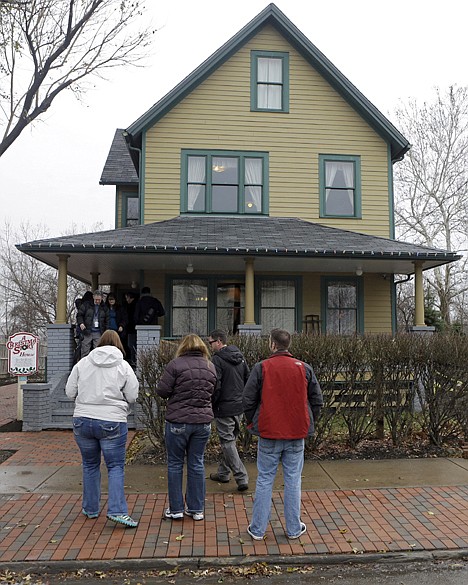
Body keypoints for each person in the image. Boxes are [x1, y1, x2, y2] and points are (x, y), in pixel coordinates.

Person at [243, 328, 323, 541]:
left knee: (265, 479)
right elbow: (317, 400)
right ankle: (293, 529)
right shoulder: (303, 368)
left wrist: (253, 421)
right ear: (288, 345)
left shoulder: (262, 367)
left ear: (272, 344)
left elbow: (248, 399)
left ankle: (258, 529)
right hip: (296, 433)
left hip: (269, 432)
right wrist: (307, 421)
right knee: (293, 480)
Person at [65, 330, 139, 528]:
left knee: (89, 465)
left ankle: (90, 508)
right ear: (118, 344)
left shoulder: (83, 363)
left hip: (82, 419)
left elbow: (70, 391)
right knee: (115, 467)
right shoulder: (123, 366)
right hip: (112, 421)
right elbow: (132, 395)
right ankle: (117, 511)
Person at [156, 334, 217, 521]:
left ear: (183, 347)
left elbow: (162, 391)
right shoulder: (210, 366)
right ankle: (196, 509)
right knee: (196, 463)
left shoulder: (175, 365)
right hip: (202, 422)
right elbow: (214, 391)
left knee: (175, 464)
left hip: (178, 421)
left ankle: (176, 510)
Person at [207, 329, 250, 492]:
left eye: (210, 342)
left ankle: (241, 476)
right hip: (239, 406)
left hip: (224, 406)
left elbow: (215, 385)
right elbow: (248, 378)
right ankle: (223, 473)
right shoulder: (240, 357)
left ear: (218, 341)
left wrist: (213, 403)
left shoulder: (217, 360)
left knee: (227, 442)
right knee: (230, 441)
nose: (209, 345)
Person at [77, 290, 109, 357]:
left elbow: (107, 320)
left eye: (99, 300)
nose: (97, 301)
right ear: (93, 297)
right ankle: (84, 366)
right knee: (85, 351)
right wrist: (81, 323)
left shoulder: (104, 307)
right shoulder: (86, 305)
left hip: (99, 332)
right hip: (87, 331)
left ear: (102, 298)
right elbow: (79, 315)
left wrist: (106, 331)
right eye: (96, 299)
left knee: (98, 352)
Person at [123, 291, 138, 366]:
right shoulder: (136, 305)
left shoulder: (131, 307)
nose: (126, 300)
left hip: (131, 329)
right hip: (133, 329)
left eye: (127, 298)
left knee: (131, 345)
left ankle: (133, 361)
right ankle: (134, 360)